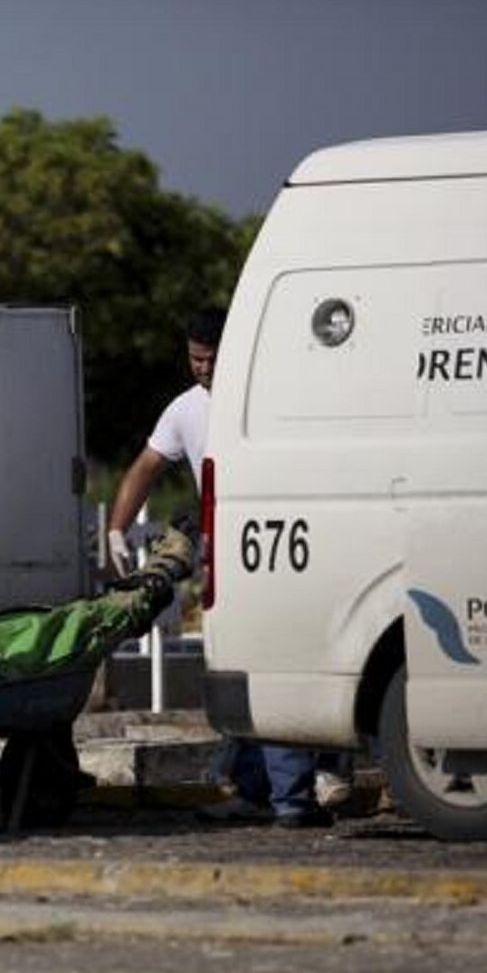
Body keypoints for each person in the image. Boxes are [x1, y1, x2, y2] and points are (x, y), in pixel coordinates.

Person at [105, 309, 334, 828]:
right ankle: (261, 791)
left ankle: (291, 797)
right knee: (237, 674)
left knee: (270, 669)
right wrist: (116, 528)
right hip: (226, 559)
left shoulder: (270, 397)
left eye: (213, 358)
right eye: (196, 359)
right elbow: (145, 467)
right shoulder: (186, 410)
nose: (204, 369)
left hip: (277, 550)